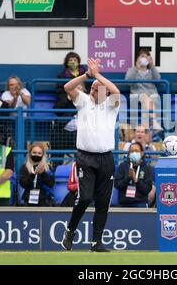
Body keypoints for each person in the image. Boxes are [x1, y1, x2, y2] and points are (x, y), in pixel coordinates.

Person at [61, 58, 120, 252]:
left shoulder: (112, 105)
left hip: (106, 158)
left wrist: (98, 76)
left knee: (103, 202)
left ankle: (96, 242)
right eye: (92, 89)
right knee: (85, 199)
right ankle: (70, 231)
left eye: (98, 89)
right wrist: (87, 75)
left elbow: (117, 91)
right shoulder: (84, 101)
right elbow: (67, 87)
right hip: (86, 158)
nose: (94, 92)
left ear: (105, 91)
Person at [125, 48, 162, 134]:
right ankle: (154, 123)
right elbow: (128, 82)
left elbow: (158, 80)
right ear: (138, 58)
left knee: (150, 101)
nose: (144, 58)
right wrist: (136, 67)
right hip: (136, 96)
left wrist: (152, 66)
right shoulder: (132, 70)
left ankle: (147, 132)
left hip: (152, 97)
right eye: (142, 56)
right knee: (145, 97)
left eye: (146, 57)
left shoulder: (152, 71)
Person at [114, 142, 153, 208]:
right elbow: (117, 185)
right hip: (124, 204)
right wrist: (128, 178)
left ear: (142, 153)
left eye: (136, 151)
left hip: (141, 203)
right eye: (132, 151)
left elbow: (147, 189)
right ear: (128, 154)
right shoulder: (123, 166)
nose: (134, 153)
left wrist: (137, 181)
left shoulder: (147, 168)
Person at [19, 142, 54, 206]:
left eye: (39, 153)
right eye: (34, 153)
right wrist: (32, 175)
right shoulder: (25, 167)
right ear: (30, 153)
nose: (36, 155)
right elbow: (23, 184)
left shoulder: (48, 167)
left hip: (44, 199)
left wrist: (43, 173)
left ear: (43, 155)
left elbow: (51, 183)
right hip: (28, 199)